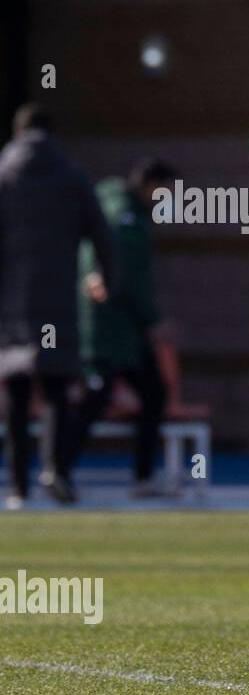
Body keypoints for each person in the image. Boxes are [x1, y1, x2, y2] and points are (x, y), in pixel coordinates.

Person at [0, 103, 117, 508]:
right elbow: (102, 234)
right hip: (56, 305)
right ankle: (55, 471)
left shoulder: (3, 174)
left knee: (15, 396)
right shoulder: (71, 175)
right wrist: (105, 276)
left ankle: (16, 486)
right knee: (54, 393)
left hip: (12, 304)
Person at [68, 158, 175, 498]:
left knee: (152, 393)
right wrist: (152, 320)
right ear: (150, 184)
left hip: (122, 330)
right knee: (96, 401)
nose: (166, 202)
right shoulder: (124, 217)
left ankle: (141, 477)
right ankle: (57, 469)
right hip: (110, 329)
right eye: (165, 193)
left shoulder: (122, 209)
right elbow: (127, 276)